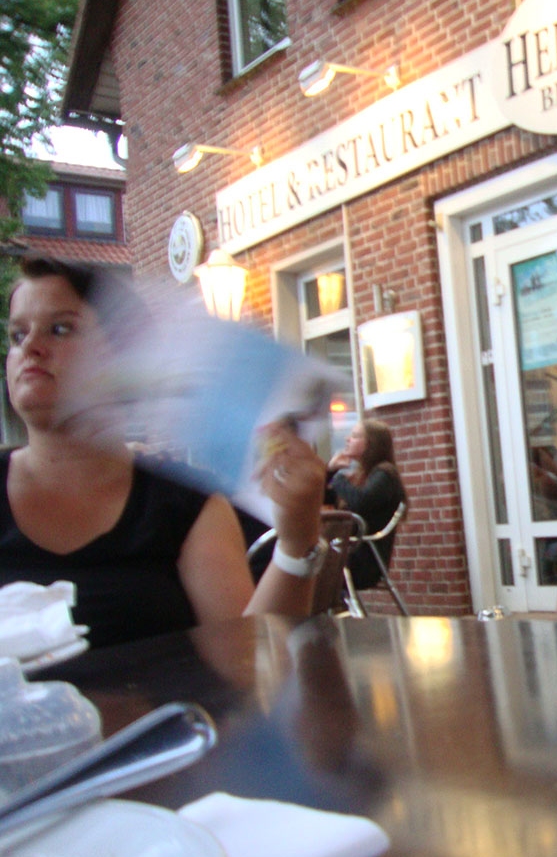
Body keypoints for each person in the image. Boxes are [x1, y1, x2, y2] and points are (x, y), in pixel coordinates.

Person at [0, 256, 327, 649]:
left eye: (60, 329)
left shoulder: (183, 504)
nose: (30, 347)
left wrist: (296, 544)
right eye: (17, 335)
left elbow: (249, 664)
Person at [326, 420, 405, 589]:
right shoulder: (360, 476)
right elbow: (324, 498)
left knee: (304, 569)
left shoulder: (384, 474)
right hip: (348, 554)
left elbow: (361, 502)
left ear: (371, 444)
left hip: (362, 562)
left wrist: (338, 479)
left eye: (355, 436)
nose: (347, 439)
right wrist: (331, 471)